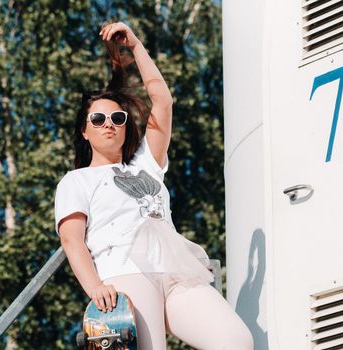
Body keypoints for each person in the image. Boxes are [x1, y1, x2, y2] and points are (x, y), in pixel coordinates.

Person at [54, 21, 253, 350]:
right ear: (84, 131)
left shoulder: (146, 165)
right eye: (98, 119)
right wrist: (94, 286)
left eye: (118, 119)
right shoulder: (76, 181)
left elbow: (163, 102)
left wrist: (136, 46)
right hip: (124, 271)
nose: (109, 125)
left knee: (235, 340)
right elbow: (71, 240)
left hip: (176, 271)